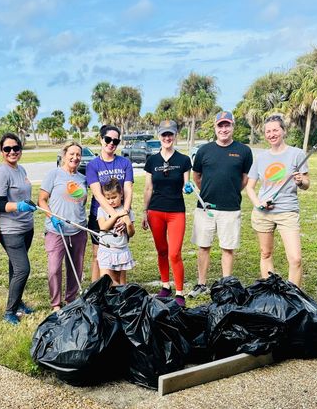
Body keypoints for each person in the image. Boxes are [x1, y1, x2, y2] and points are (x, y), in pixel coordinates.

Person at [188, 111, 253, 298]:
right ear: (215, 128)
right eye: (220, 126)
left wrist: (231, 191)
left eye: (227, 125)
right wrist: (208, 192)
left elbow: (244, 179)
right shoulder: (204, 151)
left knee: (227, 247)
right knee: (203, 246)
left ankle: (226, 284)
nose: (224, 129)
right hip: (206, 207)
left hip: (231, 208)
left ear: (233, 127)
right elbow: (197, 176)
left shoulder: (244, 151)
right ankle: (201, 284)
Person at [245, 114, 310, 287]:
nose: (272, 134)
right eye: (268, 131)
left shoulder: (296, 154)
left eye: (275, 130)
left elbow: (306, 184)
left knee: (295, 259)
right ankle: (270, 294)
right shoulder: (261, 157)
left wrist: (300, 181)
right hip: (263, 213)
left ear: (283, 131)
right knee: (266, 254)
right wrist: (258, 203)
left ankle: (293, 297)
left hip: (287, 212)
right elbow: (249, 187)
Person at [141, 120, 192, 307]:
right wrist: (144, 212)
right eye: (164, 134)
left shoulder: (184, 160)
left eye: (170, 134)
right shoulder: (152, 161)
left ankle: (179, 292)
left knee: (174, 253)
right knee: (161, 250)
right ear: (159, 136)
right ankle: (165, 286)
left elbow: (187, 184)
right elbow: (148, 188)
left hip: (176, 211)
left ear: (175, 135)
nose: (167, 138)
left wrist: (188, 188)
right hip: (155, 211)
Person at [0, 133, 37, 325]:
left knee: (14, 268)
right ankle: (9, 312)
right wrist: (19, 206)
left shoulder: (20, 169)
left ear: (20, 150)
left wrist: (28, 204)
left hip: (27, 227)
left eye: (16, 148)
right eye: (7, 149)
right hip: (11, 231)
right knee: (23, 269)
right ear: (1, 151)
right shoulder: (1, 173)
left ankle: (17, 303)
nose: (12, 152)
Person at [38, 142, 88, 311]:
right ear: (64, 155)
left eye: (78, 154)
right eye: (72, 154)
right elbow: (42, 200)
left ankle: (71, 300)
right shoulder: (54, 174)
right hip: (56, 230)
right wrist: (52, 217)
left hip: (79, 229)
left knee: (76, 269)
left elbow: (82, 202)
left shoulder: (82, 178)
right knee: (54, 269)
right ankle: (56, 304)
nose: (75, 157)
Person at [86, 125, 134, 283]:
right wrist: (115, 216)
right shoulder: (93, 165)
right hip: (100, 215)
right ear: (101, 139)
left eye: (115, 140)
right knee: (97, 255)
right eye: (108, 139)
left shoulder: (124, 162)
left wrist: (124, 213)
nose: (111, 143)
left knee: (119, 251)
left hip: (122, 213)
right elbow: (98, 195)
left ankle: (120, 290)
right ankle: (96, 292)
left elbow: (128, 188)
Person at [96, 178, 135, 286]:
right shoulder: (102, 210)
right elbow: (103, 227)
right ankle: (108, 300)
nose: (111, 201)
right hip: (106, 250)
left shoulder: (127, 210)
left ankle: (118, 300)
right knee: (105, 280)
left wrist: (128, 223)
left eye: (114, 197)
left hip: (121, 251)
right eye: (107, 198)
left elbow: (131, 233)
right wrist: (117, 215)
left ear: (121, 194)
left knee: (119, 281)